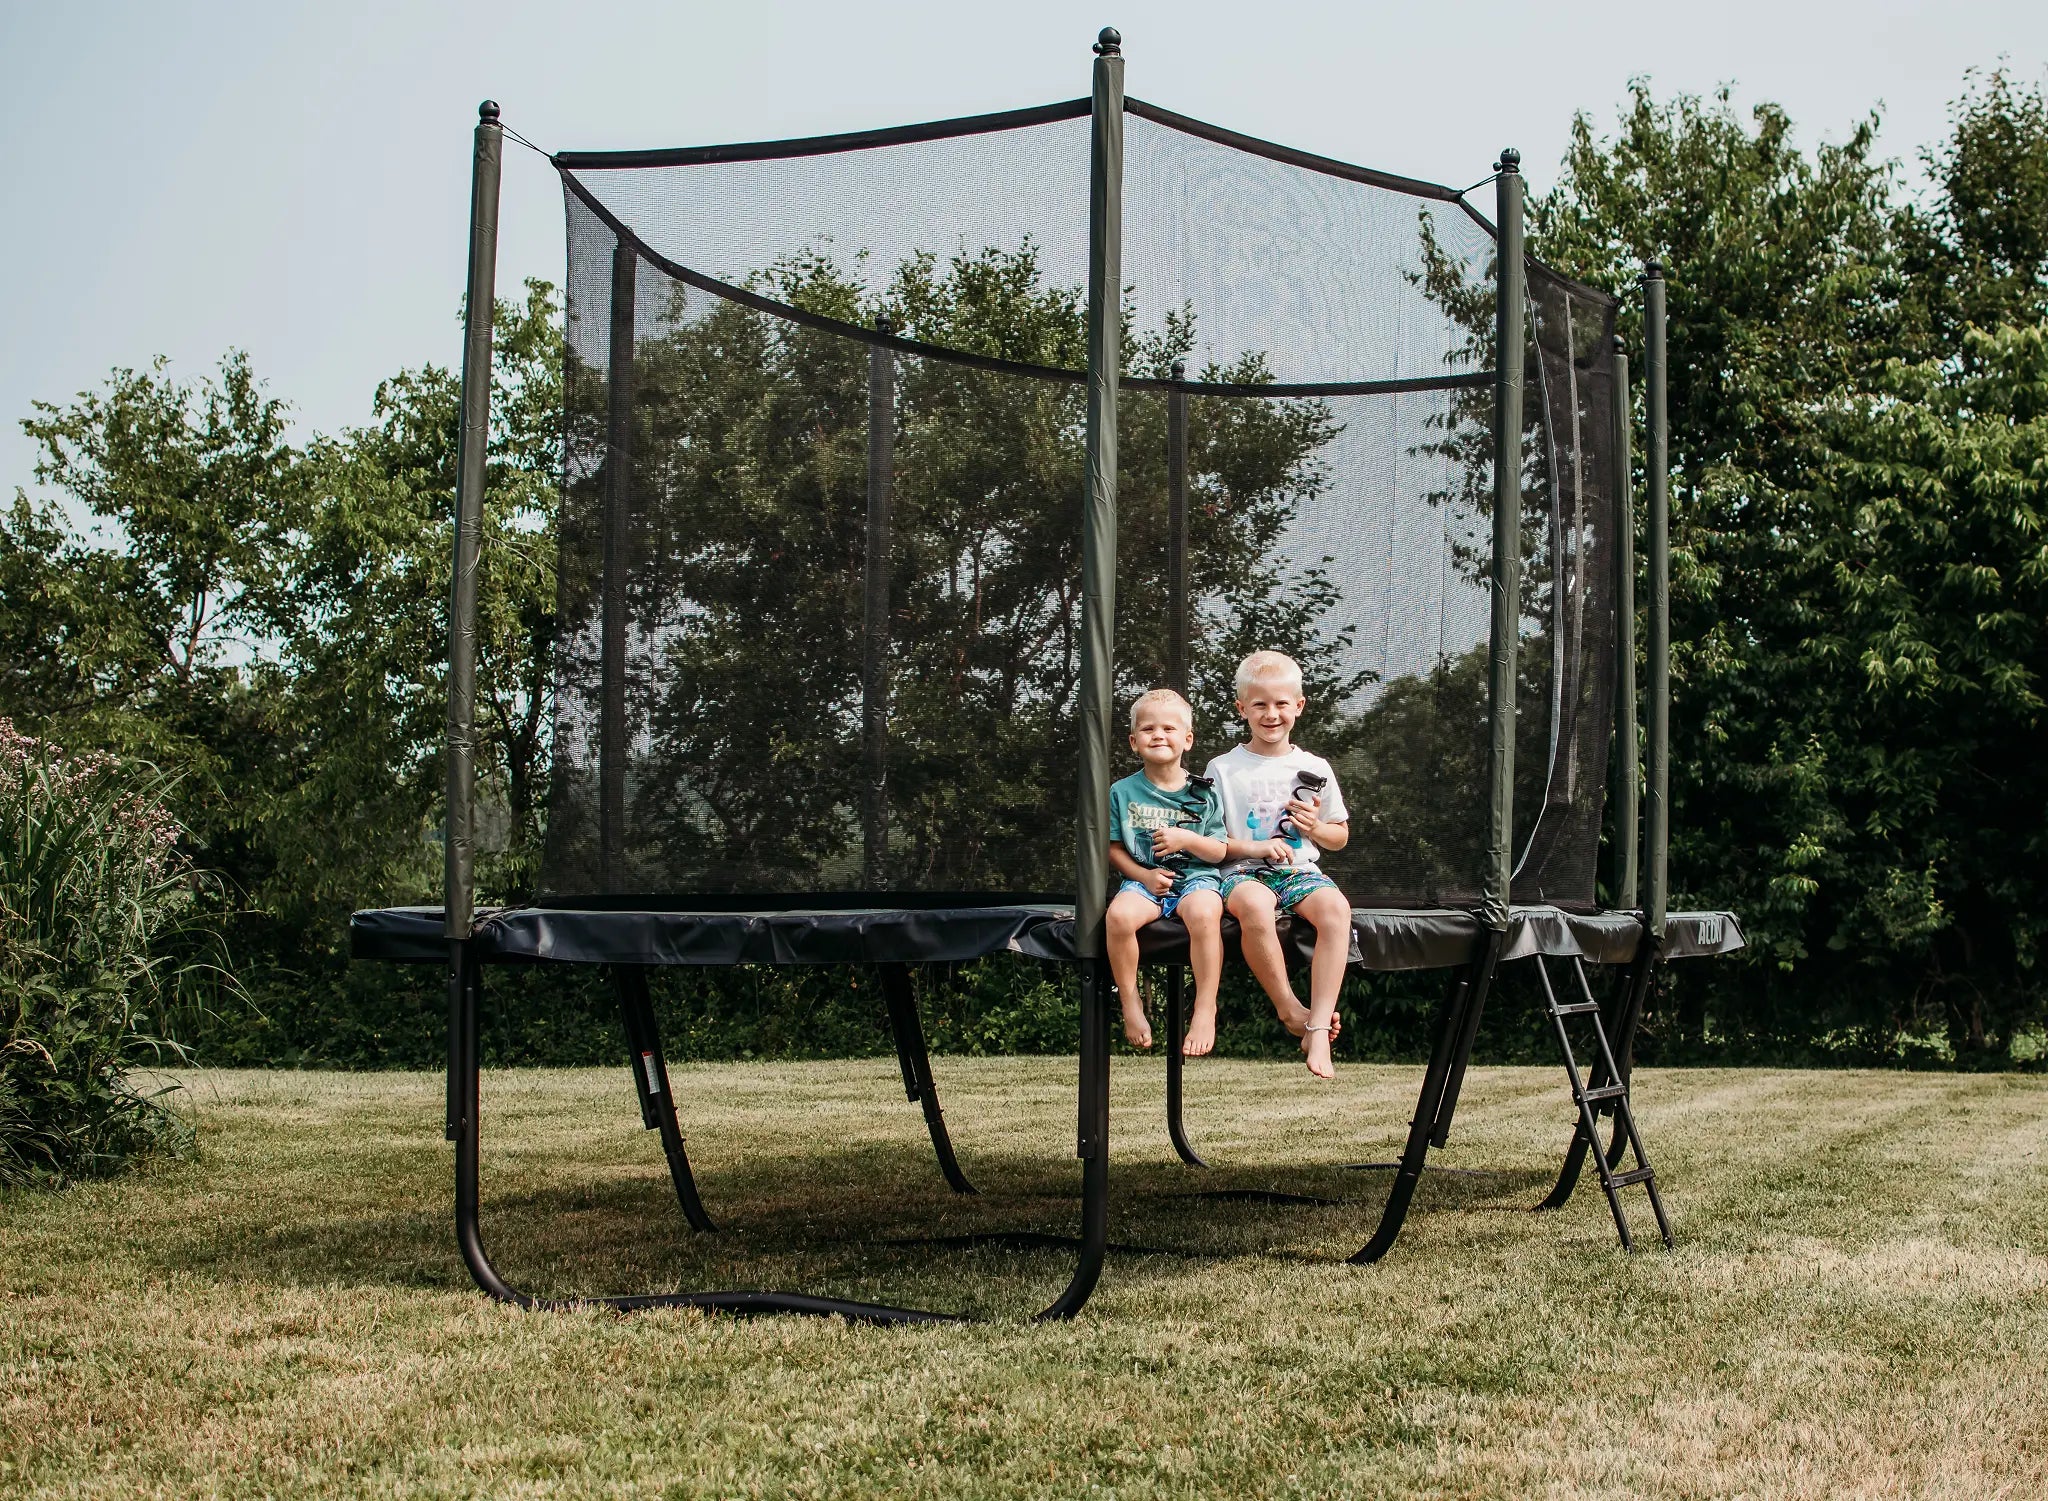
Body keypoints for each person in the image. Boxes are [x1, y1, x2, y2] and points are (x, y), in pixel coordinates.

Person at [1204, 650, 1354, 1079]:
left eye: (1281, 704)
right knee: (1253, 906)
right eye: (1260, 705)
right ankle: (1291, 1010)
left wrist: (1316, 827)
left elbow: (1339, 836)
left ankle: (1320, 1026)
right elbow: (1212, 841)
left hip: (1300, 871)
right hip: (1243, 871)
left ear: (1299, 706)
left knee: (1336, 910)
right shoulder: (1223, 768)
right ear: (1242, 709)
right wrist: (1256, 848)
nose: (1271, 714)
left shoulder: (1314, 767)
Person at [1105, 689, 1230, 1055]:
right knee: (1118, 917)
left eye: (1169, 728)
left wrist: (1186, 838)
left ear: (1187, 739)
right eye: (1148, 729)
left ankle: (1206, 1007)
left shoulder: (1204, 794)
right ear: (1133, 741)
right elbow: (1113, 848)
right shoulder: (1121, 791)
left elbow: (1219, 849)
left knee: (1205, 912)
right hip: (1144, 879)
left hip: (1196, 878)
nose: (1158, 735)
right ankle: (1130, 1003)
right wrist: (1143, 877)